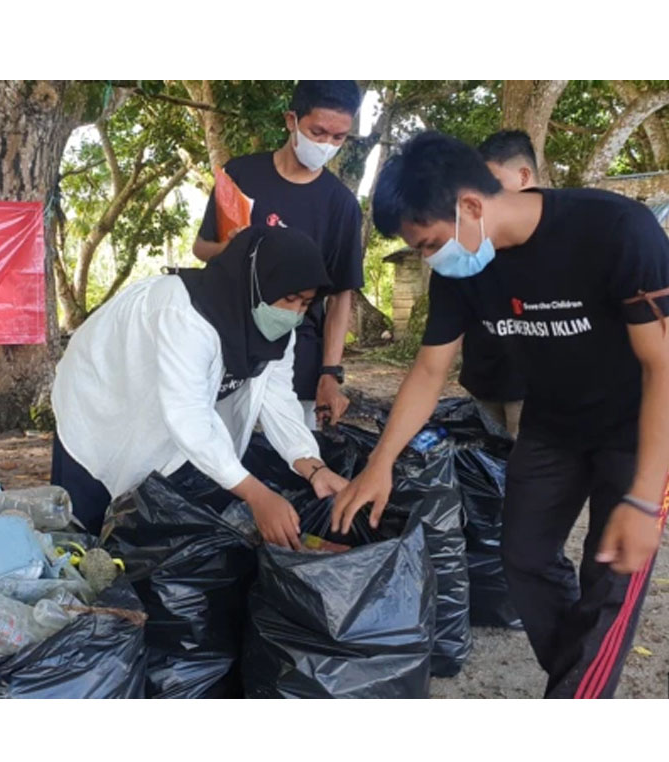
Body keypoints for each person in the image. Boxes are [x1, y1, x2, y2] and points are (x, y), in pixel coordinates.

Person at [333, 131, 669, 698]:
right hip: (552, 424)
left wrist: (644, 495)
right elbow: (428, 371)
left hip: (636, 428)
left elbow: (663, 365)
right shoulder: (464, 272)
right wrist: (380, 462)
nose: (428, 257)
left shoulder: (614, 230)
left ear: (469, 206)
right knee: (522, 559)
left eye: (428, 244)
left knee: (610, 579)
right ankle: (578, 677)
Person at [51, 226, 349, 548]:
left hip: (162, 407)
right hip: (101, 396)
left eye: (305, 304)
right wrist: (257, 495)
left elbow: (278, 400)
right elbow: (188, 415)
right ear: (256, 280)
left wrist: (313, 467)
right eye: (289, 298)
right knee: (87, 518)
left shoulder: (275, 329)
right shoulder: (182, 313)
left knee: (151, 507)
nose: (294, 314)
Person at [192, 81, 364, 431]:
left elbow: (341, 295)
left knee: (294, 456)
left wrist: (330, 373)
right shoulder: (241, 175)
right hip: (227, 348)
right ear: (291, 120)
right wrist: (232, 248)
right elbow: (201, 249)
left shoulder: (340, 206)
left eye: (339, 137)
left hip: (298, 355)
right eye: (318, 131)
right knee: (221, 455)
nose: (326, 145)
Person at [456, 130, 540, 437]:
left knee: (529, 472)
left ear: (523, 175)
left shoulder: (565, 238)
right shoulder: (474, 237)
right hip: (484, 380)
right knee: (492, 467)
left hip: (535, 389)